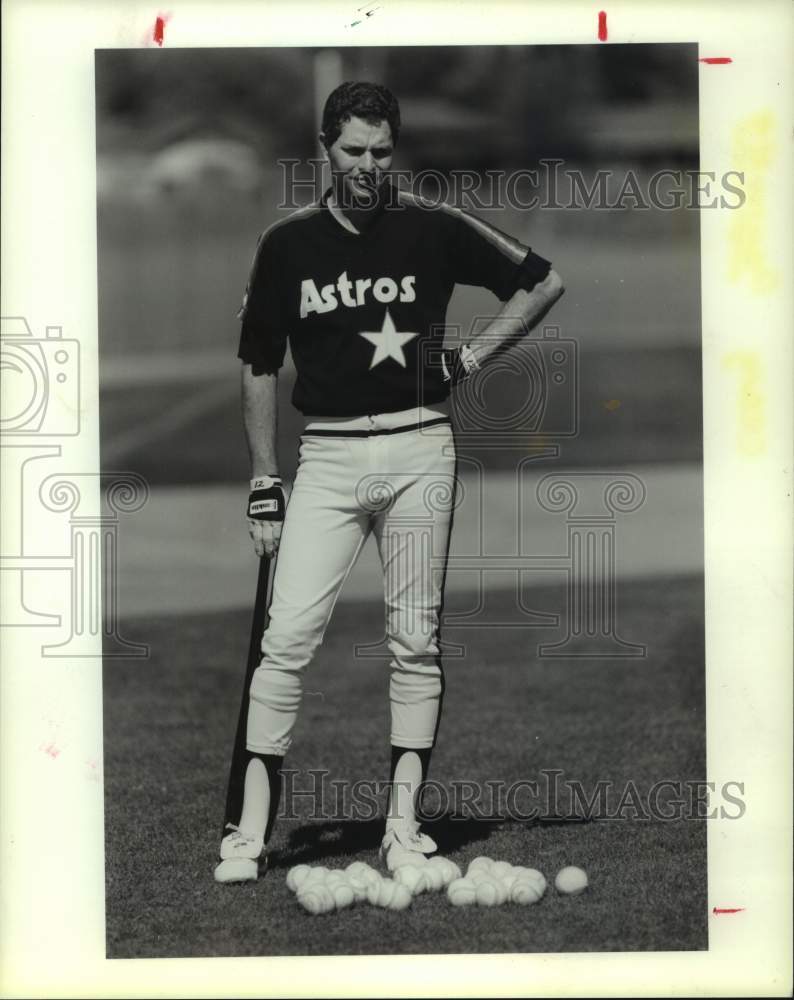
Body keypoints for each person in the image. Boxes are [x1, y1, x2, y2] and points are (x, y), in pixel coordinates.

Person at [214, 80, 564, 883]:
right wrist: (265, 478)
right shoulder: (288, 244)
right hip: (328, 461)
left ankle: (403, 828)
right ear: (325, 151)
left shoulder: (432, 228)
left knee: (414, 641)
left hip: (420, 453)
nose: (368, 165)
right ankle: (251, 831)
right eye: (352, 150)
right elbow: (259, 361)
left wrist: (472, 356)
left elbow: (543, 281)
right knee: (288, 639)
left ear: (392, 152)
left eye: (380, 151)